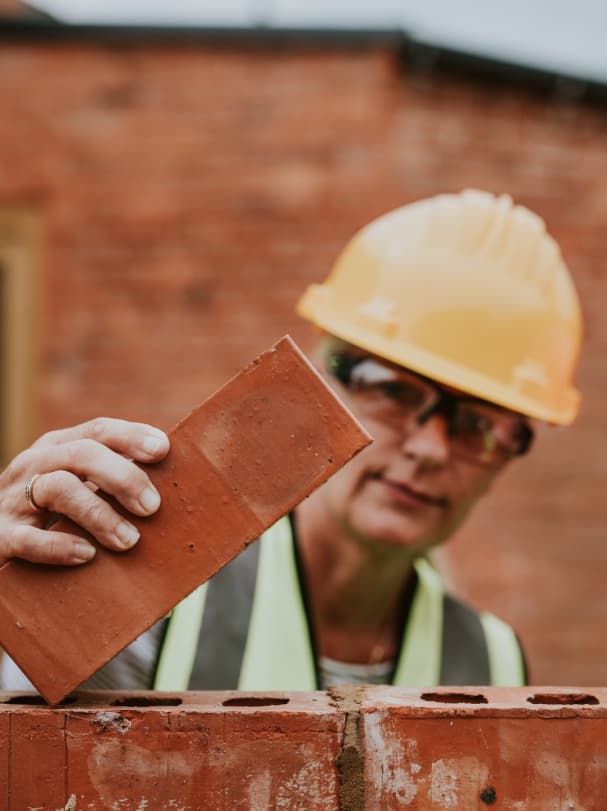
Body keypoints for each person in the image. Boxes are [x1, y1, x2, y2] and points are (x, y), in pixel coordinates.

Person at [0, 189, 582, 692]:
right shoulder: (152, 597)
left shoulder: (495, 663)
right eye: (396, 391)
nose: (429, 451)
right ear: (321, 378)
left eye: (479, 426)